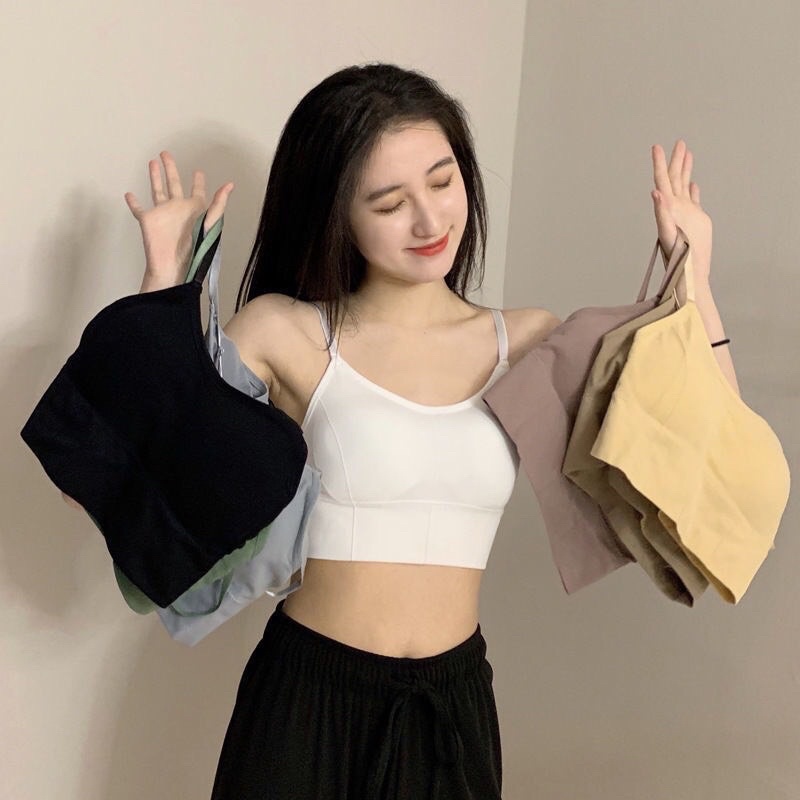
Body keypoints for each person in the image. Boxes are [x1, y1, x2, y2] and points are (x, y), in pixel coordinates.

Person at [80, 62, 723, 799]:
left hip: (452, 707)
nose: (429, 221)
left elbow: (702, 460)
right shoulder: (287, 332)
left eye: (443, 183)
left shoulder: (527, 342)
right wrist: (164, 283)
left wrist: (696, 276)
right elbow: (116, 479)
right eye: (390, 203)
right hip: (306, 701)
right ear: (338, 214)